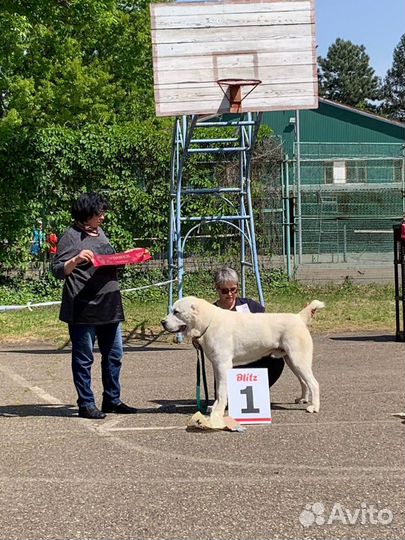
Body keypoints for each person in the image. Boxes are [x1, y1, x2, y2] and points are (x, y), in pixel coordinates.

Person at [52, 192, 137, 419]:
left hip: (110, 304)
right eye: (99, 213)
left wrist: (124, 258)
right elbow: (57, 270)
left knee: (114, 354)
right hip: (83, 306)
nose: (103, 217)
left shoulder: (100, 232)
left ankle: (112, 399)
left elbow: (105, 260)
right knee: (84, 357)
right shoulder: (71, 237)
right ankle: (86, 403)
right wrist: (75, 260)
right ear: (86, 214)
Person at [213, 266, 285, 387]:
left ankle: (257, 391)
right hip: (229, 363)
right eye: (225, 291)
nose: (230, 294)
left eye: (233, 289)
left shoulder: (249, 306)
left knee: (277, 361)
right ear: (217, 289)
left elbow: (269, 324)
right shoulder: (212, 312)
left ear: (237, 287)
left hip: (254, 357)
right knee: (226, 400)